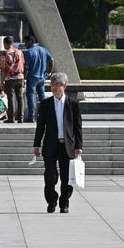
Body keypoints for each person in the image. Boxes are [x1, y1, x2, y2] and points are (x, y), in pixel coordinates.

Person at [33, 72, 82, 214]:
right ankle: (51, 201)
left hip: (67, 146)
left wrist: (79, 146)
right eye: (52, 85)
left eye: (57, 85)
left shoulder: (73, 103)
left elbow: (78, 126)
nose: (54, 88)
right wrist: (36, 144)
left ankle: (64, 202)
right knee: (50, 176)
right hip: (50, 145)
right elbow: (40, 126)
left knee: (67, 178)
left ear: (64, 87)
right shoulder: (45, 104)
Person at [23, 35, 54, 123]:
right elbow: (52, 60)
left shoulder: (29, 52)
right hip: (42, 77)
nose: (25, 44)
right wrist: (49, 73)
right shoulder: (43, 50)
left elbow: (26, 68)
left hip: (32, 77)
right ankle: (45, 115)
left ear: (30, 41)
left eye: (26, 42)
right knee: (42, 96)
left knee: (31, 96)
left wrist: (24, 78)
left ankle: (31, 117)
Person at [0, 36, 25, 123]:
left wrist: (1, 81)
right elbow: (23, 63)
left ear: (6, 44)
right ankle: (21, 118)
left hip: (9, 79)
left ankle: (11, 118)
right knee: (20, 98)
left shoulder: (4, 55)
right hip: (20, 78)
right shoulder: (20, 52)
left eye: (4, 44)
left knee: (10, 98)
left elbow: (2, 69)